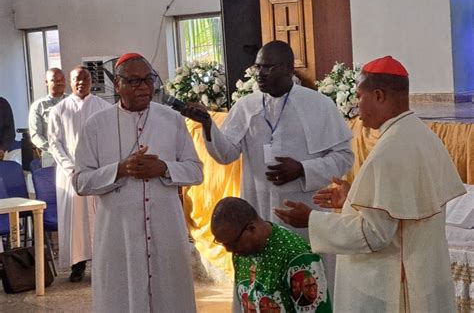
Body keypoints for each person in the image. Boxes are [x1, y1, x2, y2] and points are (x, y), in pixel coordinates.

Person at [274, 56, 467, 312]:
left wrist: (311, 220)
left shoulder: (390, 150)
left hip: (397, 288)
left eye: (360, 96)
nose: (356, 106)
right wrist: (353, 199)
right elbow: (398, 210)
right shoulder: (422, 135)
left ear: (378, 95)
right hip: (424, 276)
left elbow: (374, 234)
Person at [183, 40, 353, 293]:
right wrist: (208, 125)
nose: (260, 74)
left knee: (306, 287)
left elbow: (343, 157)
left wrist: (304, 169)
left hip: (303, 213)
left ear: (287, 68)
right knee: (263, 288)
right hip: (258, 213)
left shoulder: (318, 105)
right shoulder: (246, 106)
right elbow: (226, 154)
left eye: (268, 68)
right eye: (258, 68)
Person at [72, 53, 203, 312]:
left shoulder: (172, 120)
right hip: (118, 235)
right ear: (117, 85)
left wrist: (164, 168)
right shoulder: (95, 126)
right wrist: (119, 170)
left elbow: (196, 171)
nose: (143, 87)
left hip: (165, 230)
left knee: (170, 297)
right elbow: (80, 181)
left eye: (148, 80)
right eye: (133, 81)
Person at [211, 197, 332, 313]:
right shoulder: (241, 252)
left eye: (232, 243)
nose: (229, 250)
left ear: (251, 229)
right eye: (223, 244)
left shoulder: (297, 256)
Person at [48, 66, 110, 282]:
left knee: (100, 218)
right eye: (77, 79)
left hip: (97, 172)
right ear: (70, 82)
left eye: (85, 78)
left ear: (91, 80)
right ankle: (78, 265)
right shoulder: (59, 110)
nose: (81, 82)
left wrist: (100, 166)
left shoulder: (104, 108)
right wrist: (70, 167)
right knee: (75, 221)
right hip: (71, 174)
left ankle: (103, 262)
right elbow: (54, 143)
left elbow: (108, 140)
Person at [29, 68, 68, 166]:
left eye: (62, 80)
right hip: (51, 157)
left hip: (74, 155)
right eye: (55, 80)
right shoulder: (38, 106)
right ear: (46, 82)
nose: (59, 83)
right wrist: (53, 149)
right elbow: (35, 135)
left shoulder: (74, 102)